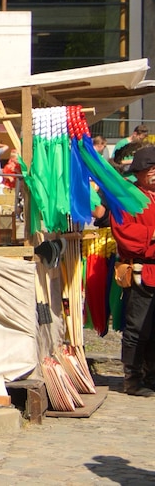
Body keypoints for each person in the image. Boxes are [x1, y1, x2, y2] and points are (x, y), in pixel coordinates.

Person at [109, 145, 155, 396]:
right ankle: (133, 380)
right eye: (151, 169)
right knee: (138, 328)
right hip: (142, 272)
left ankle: (152, 376)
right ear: (139, 172)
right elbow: (124, 233)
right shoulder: (128, 199)